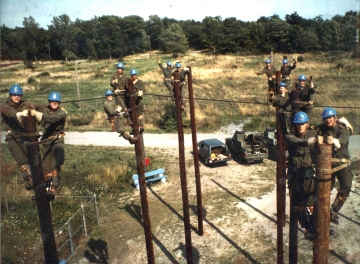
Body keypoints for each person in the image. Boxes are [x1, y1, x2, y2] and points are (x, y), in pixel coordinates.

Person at [316, 107, 353, 224]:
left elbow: (342, 141)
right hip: (328, 164)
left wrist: (334, 141)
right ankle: (323, 212)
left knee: (346, 187)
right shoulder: (322, 129)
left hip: (342, 164)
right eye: (326, 119)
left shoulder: (342, 129)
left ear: (335, 118)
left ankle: (334, 210)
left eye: (330, 118)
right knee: (325, 189)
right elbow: (315, 136)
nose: (328, 121)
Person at [285, 111, 318, 240]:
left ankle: (314, 227)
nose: (300, 126)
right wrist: (308, 142)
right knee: (298, 206)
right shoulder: (291, 136)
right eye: (298, 124)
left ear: (307, 124)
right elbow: (296, 141)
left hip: (308, 175)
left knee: (312, 203)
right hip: (295, 176)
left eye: (302, 124)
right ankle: (307, 227)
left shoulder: (312, 134)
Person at [0, 84, 39, 190]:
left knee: (34, 159)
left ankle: (39, 180)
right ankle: (29, 179)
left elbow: (35, 106)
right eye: (14, 95)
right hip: (12, 137)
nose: (17, 97)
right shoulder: (4, 106)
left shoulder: (25, 104)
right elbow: (11, 113)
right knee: (22, 161)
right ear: (10, 95)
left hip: (25, 136)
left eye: (19, 95)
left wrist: (34, 109)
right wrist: (21, 113)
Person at [33, 91, 67, 196]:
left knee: (56, 163)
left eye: (56, 101)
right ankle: (45, 187)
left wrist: (39, 115)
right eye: (52, 101)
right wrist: (32, 107)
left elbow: (51, 119)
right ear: (49, 102)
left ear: (59, 102)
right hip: (46, 140)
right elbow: (36, 107)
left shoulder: (62, 113)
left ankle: (54, 186)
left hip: (57, 139)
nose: (54, 103)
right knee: (45, 166)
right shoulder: (45, 109)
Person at [124, 69, 145, 136]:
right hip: (131, 102)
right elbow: (126, 90)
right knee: (132, 116)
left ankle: (141, 128)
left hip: (138, 101)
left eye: (135, 75)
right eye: (132, 75)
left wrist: (140, 92)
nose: (133, 76)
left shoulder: (140, 82)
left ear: (136, 75)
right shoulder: (129, 82)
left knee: (139, 116)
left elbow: (142, 90)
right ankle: (134, 129)